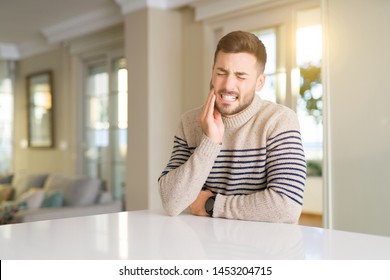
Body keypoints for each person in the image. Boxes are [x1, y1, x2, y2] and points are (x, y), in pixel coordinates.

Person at [158, 30, 306, 223]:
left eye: (240, 76)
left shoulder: (279, 121)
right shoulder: (190, 123)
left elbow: (287, 206)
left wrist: (211, 204)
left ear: (259, 82)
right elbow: (171, 202)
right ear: (212, 72)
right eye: (221, 72)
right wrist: (210, 142)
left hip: (263, 250)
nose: (228, 85)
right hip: (206, 248)